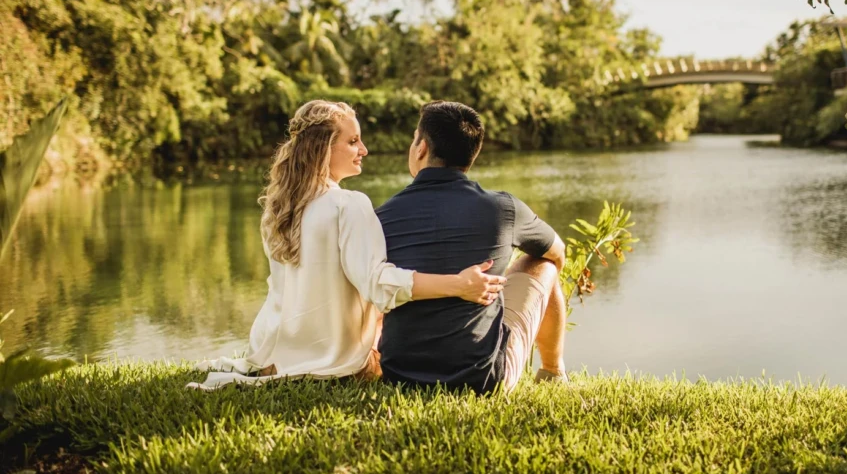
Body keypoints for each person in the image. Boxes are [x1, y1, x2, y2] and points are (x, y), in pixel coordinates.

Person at [189, 100, 504, 390]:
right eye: (353, 141)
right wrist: (459, 285)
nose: (364, 150)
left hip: (274, 350)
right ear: (322, 149)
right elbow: (379, 285)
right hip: (333, 360)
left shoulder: (278, 208)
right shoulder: (347, 205)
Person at [376, 101, 568, 394]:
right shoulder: (503, 208)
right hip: (482, 379)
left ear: (421, 148)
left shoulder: (381, 216)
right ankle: (553, 371)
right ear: (471, 155)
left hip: (398, 373)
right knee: (544, 263)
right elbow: (557, 251)